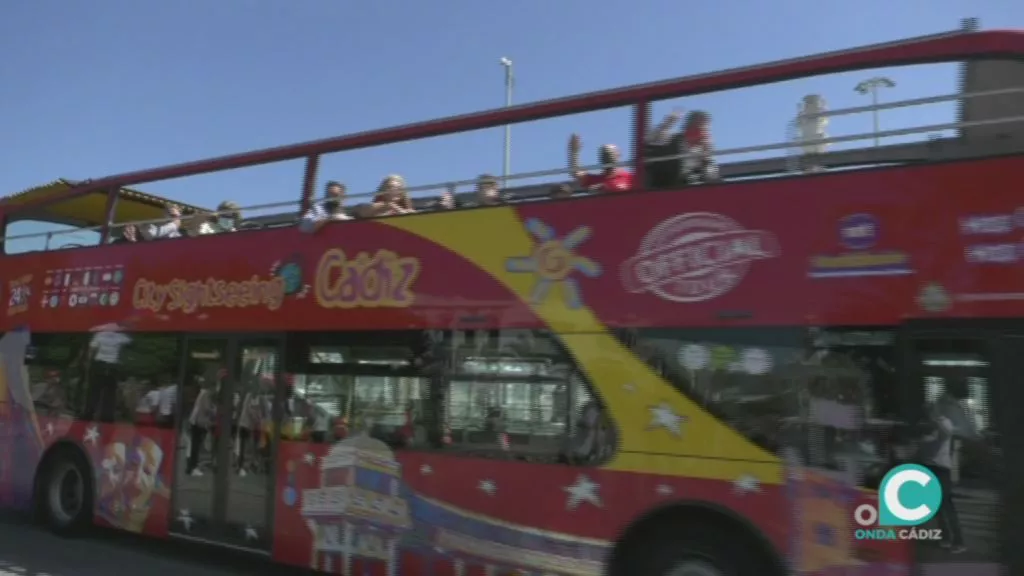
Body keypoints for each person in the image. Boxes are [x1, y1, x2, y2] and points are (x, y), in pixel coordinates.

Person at [919, 379, 978, 554]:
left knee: (946, 504)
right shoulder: (936, 421)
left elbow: (941, 437)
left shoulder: (944, 421)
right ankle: (946, 537)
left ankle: (958, 541)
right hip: (932, 464)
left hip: (941, 466)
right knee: (937, 504)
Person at [567, 134, 633, 193]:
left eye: (609, 154)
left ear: (618, 155)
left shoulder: (630, 178)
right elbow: (576, 173)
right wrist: (574, 152)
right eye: (603, 155)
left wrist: (608, 188)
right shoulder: (596, 180)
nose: (606, 157)